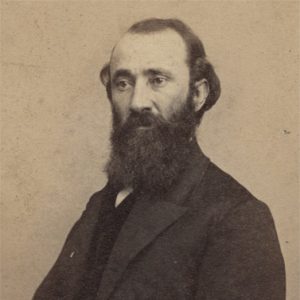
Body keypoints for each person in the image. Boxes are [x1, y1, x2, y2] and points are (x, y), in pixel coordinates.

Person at [33, 18, 285, 300]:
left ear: (198, 94)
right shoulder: (100, 205)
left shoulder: (236, 217)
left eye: (157, 80)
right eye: (124, 83)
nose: (137, 101)